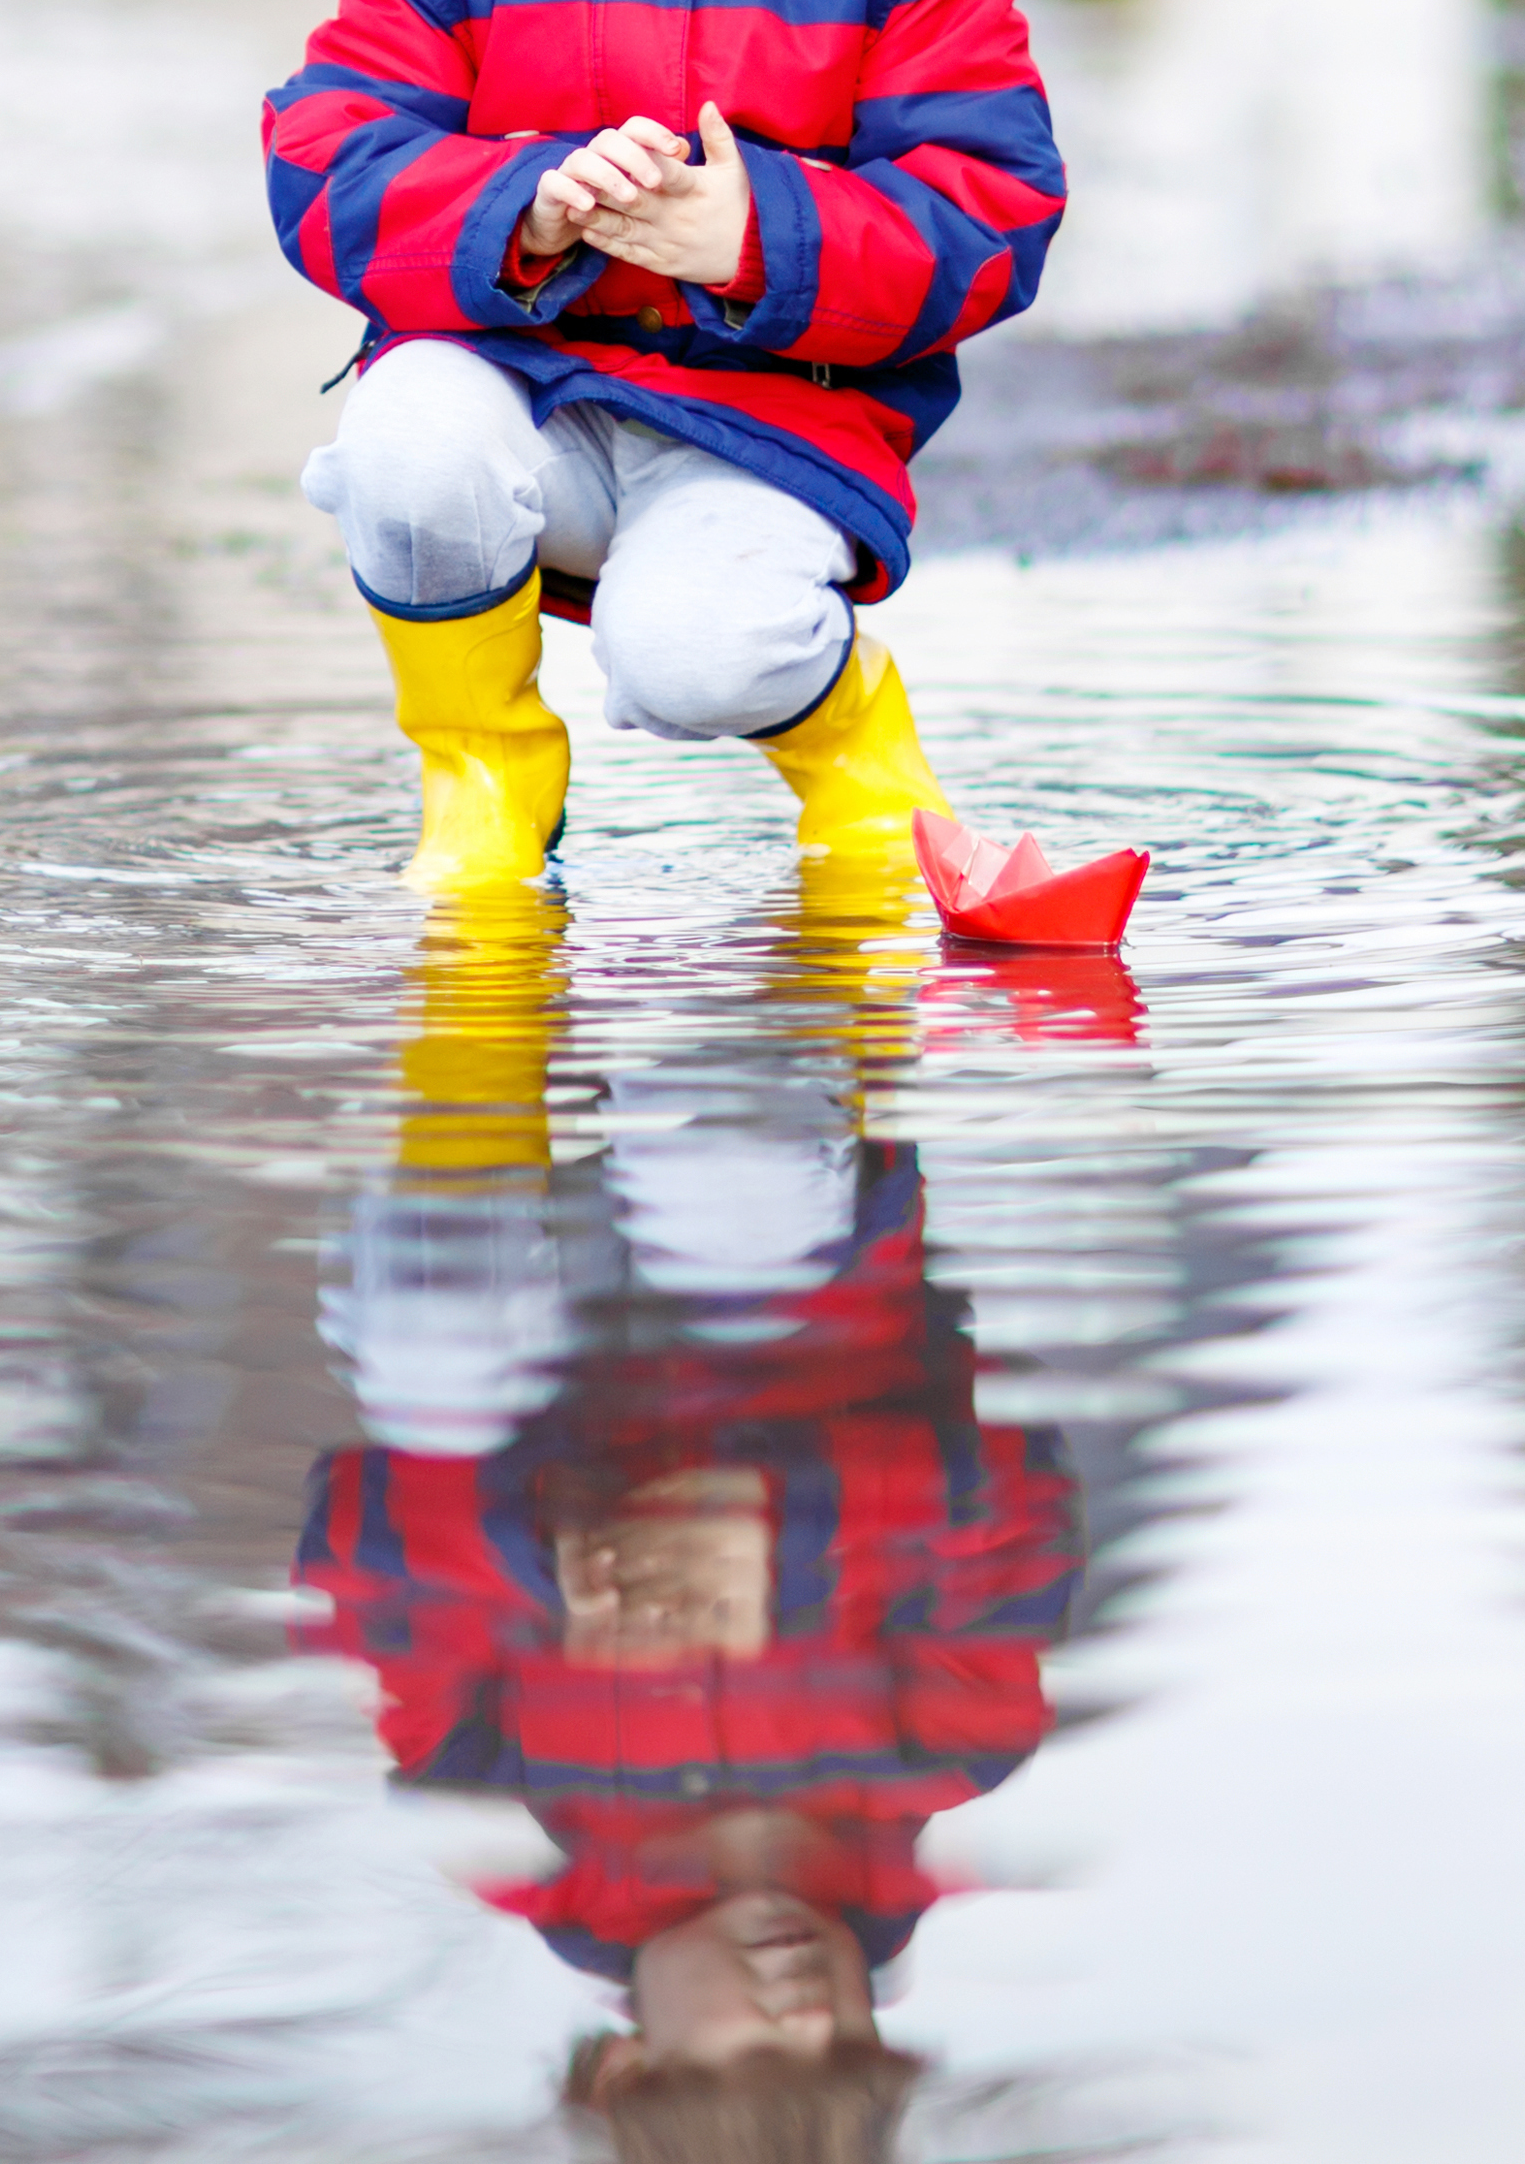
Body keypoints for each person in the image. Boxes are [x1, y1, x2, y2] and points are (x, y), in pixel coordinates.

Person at [259, 0, 1069, 892]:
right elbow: (330, 164)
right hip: (535, 404)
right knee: (405, 438)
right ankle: (485, 774)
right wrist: (527, 208)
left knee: (690, 653)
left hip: (773, 436)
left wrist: (758, 236)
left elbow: (991, 210)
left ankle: (858, 750)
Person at [299, 919, 1080, 2164]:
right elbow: (1013, 1502)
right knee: (727, 1174)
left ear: (623, 2064)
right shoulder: (951, 1754)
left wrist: (527, 1551)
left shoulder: (499, 1816)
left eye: (763, 2053)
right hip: (795, 1284)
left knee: (428, 1358)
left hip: (528, 1355)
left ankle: (465, 1012)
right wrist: (794, 1537)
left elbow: (356, 1553)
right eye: (850, 2046)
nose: (807, 2011)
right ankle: (750, 909)